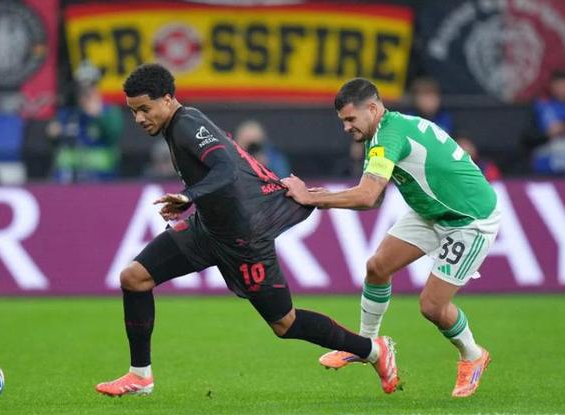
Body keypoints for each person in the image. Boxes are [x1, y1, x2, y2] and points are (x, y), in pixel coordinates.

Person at [95, 64, 399, 397]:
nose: (139, 118)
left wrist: (189, 196)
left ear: (167, 99)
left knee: (284, 323)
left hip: (244, 237)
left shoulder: (186, 124)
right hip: (208, 228)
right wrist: (192, 201)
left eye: (144, 109)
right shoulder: (178, 126)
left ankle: (373, 350)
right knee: (134, 278)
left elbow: (226, 168)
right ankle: (140, 376)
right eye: (133, 111)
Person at [283, 78, 500, 398]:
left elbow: (368, 196)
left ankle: (473, 354)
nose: (346, 127)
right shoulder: (381, 132)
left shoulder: (388, 136)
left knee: (432, 306)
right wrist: (321, 197)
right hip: (431, 212)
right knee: (378, 267)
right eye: (342, 121)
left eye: (350, 119)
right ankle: (366, 345)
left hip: (469, 220)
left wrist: (313, 198)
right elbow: (375, 198)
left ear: (372, 108)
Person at [48, 61, 124, 182]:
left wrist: (99, 116)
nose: (86, 91)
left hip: (101, 178)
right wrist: (53, 134)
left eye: (90, 85)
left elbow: (114, 136)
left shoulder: (109, 111)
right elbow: (55, 143)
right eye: (81, 86)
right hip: (69, 178)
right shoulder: (67, 113)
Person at [531, 69, 565, 174]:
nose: (560, 89)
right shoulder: (542, 106)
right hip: (548, 145)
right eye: (556, 85)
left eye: (562, 85)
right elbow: (529, 135)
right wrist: (547, 134)